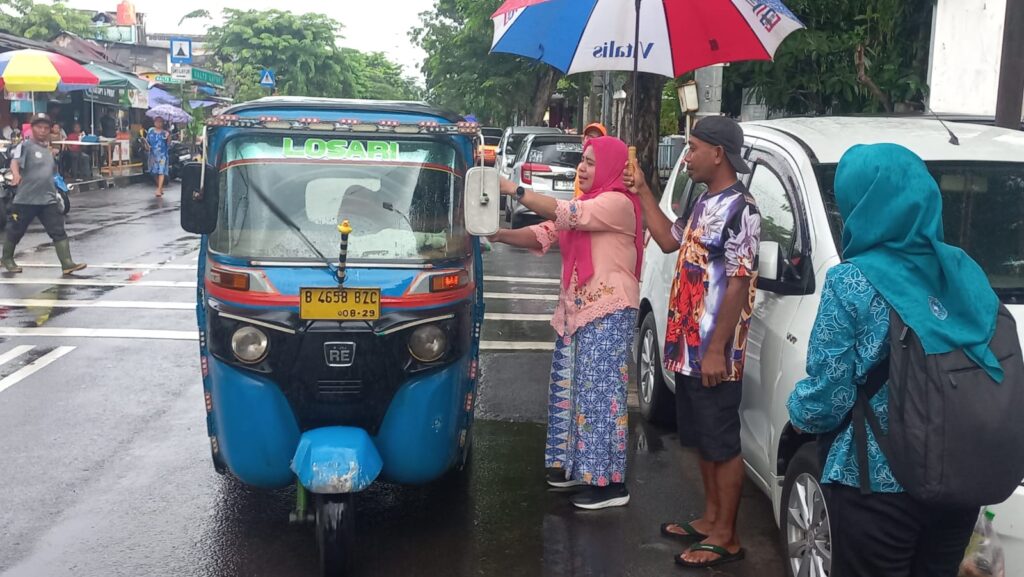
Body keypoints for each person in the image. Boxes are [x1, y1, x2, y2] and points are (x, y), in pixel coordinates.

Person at [786, 143, 1000, 577]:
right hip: (959, 475)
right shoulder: (963, 272)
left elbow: (829, 393)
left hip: (876, 480)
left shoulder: (850, 280)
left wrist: (798, 416)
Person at [625, 116, 759, 569]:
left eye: (693, 147)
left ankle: (727, 535)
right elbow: (667, 240)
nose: (687, 156)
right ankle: (709, 519)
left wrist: (718, 347)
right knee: (701, 437)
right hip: (686, 346)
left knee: (722, 442)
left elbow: (739, 282)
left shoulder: (743, 209)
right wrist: (643, 189)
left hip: (713, 350)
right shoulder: (704, 202)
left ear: (717, 153)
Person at [489, 136, 643, 510]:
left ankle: (609, 484)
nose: (582, 168)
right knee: (574, 392)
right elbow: (544, 233)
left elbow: (566, 215)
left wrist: (515, 189)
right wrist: (496, 233)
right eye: (582, 161)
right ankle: (580, 468)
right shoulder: (589, 204)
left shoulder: (619, 203)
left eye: (591, 162)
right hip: (577, 313)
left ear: (608, 167)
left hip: (607, 309)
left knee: (601, 398)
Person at [2, 114, 86, 275]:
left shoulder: (47, 150)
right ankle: (7, 258)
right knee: (16, 231)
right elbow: (15, 161)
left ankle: (67, 263)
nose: (42, 130)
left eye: (46, 128)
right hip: (26, 199)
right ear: (32, 128)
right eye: (39, 127)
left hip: (47, 199)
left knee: (58, 230)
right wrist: (16, 174)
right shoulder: (25, 146)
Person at [574, 122, 608, 199]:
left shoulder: (604, 168)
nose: (592, 141)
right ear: (583, 139)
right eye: (589, 137)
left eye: (597, 138)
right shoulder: (581, 166)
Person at [144, 117, 171, 197]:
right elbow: (147, 142)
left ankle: (159, 189)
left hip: (162, 155)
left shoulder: (165, 133)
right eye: (156, 121)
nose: (158, 123)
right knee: (153, 172)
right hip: (153, 155)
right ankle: (160, 186)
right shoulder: (150, 131)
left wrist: (169, 136)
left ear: (163, 123)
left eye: (160, 122)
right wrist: (146, 146)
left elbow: (168, 144)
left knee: (161, 171)